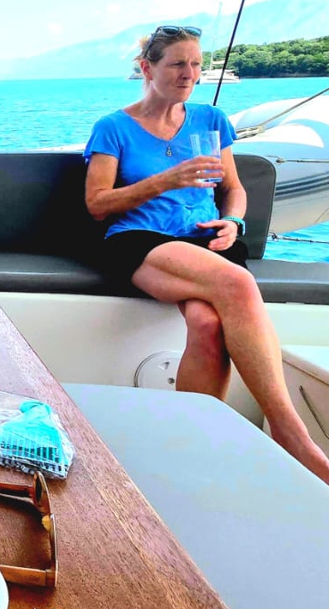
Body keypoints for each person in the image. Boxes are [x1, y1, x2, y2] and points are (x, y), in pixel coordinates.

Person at [85, 24, 329, 485]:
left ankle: (192, 440)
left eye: (196, 64)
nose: (190, 74)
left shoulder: (212, 120)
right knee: (238, 283)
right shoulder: (114, 127)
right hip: (141, 239)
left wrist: (233, 221)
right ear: (147, 68)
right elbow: (97, 204)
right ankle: (290, 433)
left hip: (206, 237)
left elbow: (233, 190)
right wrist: (165, 181)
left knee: (208, 324)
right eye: (178, 63)